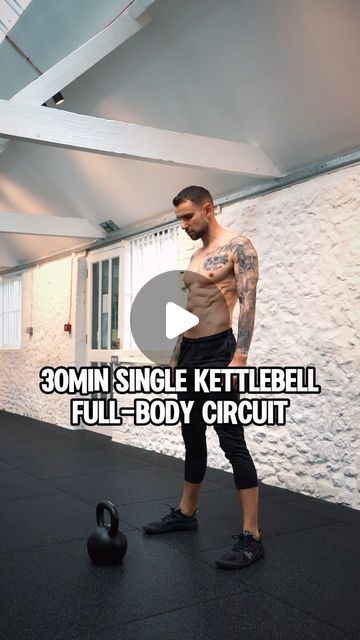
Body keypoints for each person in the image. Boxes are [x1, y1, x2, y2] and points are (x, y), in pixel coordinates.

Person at [143, 185, 264, 569]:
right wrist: (176, 357)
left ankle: (252, 536)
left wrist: (240, 355)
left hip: (220, 354)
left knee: (231, 440)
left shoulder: (237, 247)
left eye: (187, 217)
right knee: (191, 436)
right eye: (179, 218)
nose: (183, 225)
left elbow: (247, 303)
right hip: (191, 355)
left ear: (208, 210)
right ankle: (186, 513)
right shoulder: (195, 258)